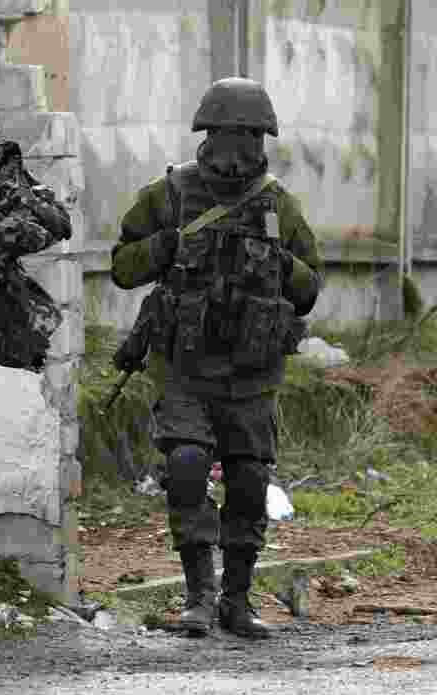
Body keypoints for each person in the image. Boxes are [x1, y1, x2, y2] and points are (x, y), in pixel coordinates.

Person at [111, 77, 323, 639]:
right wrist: (165, 246)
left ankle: (237, 599)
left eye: (250, 136)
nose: (240, 148)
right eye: (230, 134)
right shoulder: (171, 194)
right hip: (184, 368)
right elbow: (122, 266)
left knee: (250, 480)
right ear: (208, 134)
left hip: (253, 375)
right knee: (184, 463)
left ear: (262, 140)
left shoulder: (279, 203)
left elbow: (309, 290)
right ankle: (198, 596)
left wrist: (282, 264)